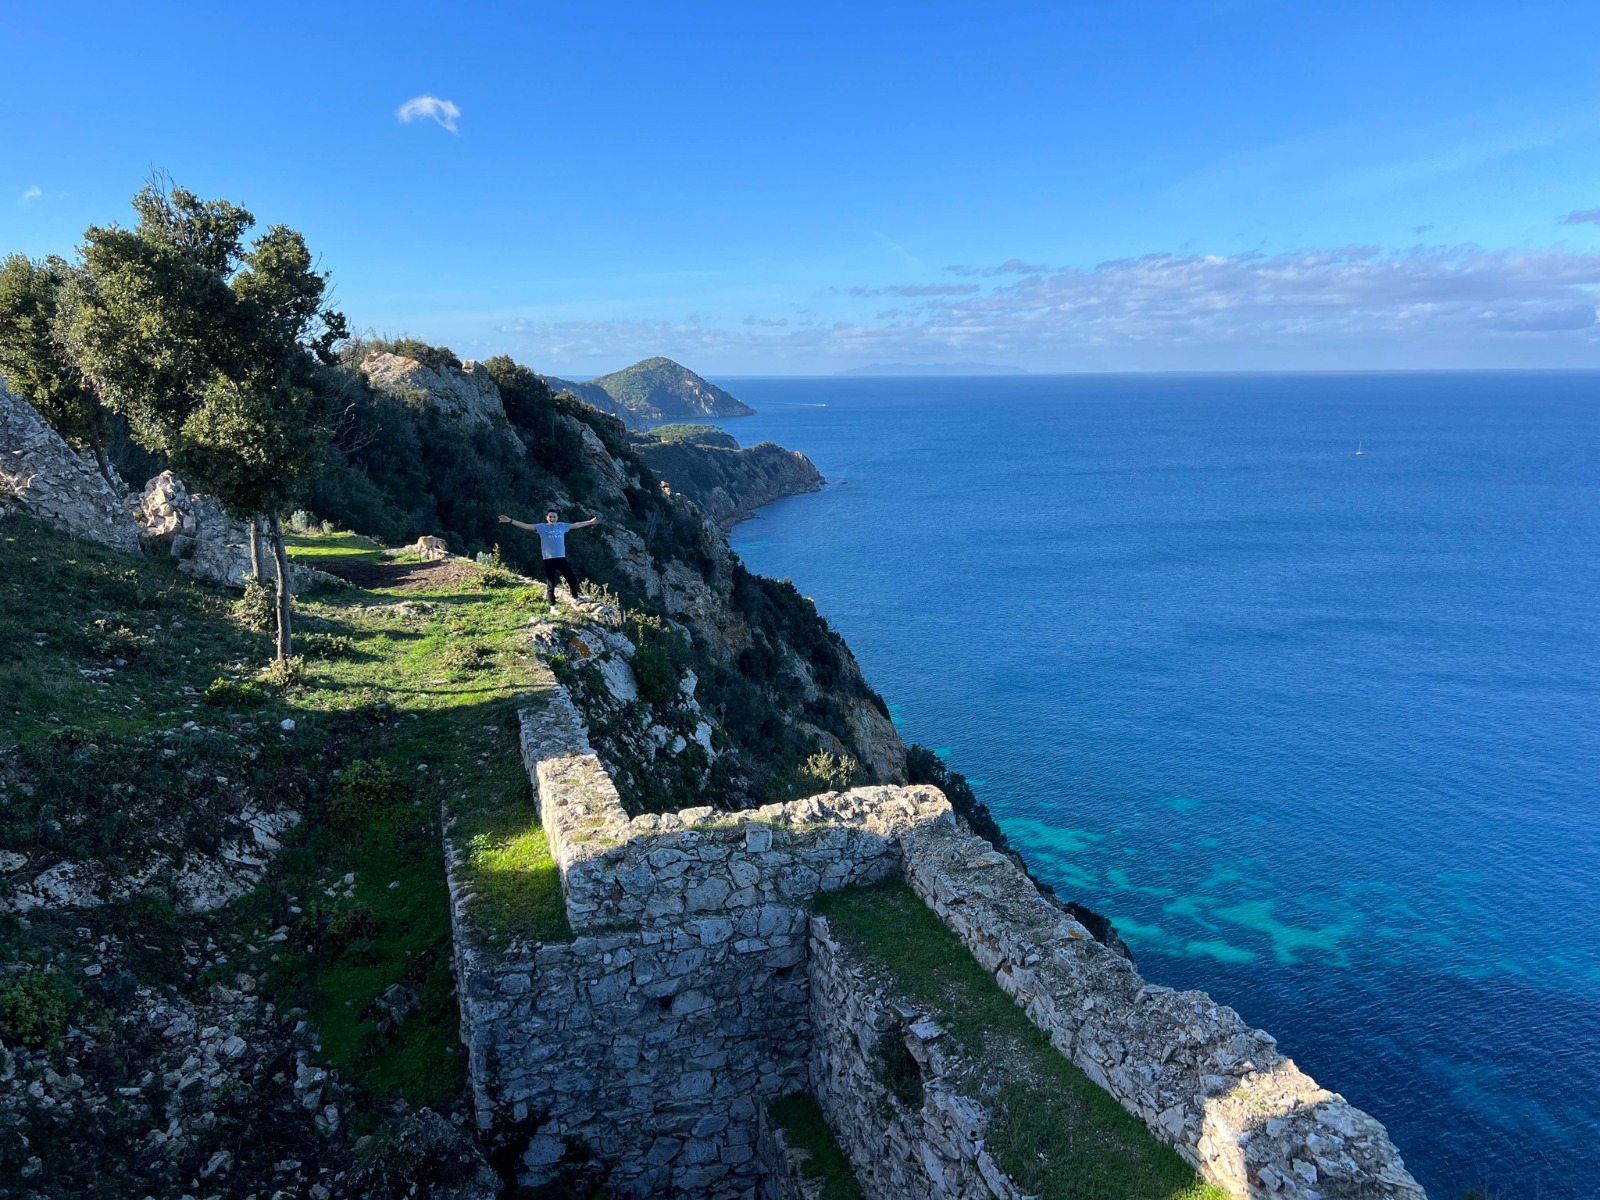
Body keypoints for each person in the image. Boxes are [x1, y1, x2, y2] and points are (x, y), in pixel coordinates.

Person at [498, 508, 600, 607]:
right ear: (547, 517)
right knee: (551, 583)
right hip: (549, 560)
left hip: (561, 558)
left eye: (554, 517)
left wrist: (590, 522)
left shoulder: (562, 526)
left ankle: (575, 598)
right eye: (550, 517)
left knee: (572, 578)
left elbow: (576, 525)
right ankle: (552, 606)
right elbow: (525, 526)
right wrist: (510, 521)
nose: (552, 519)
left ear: (557, 517)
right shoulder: (541, 527)